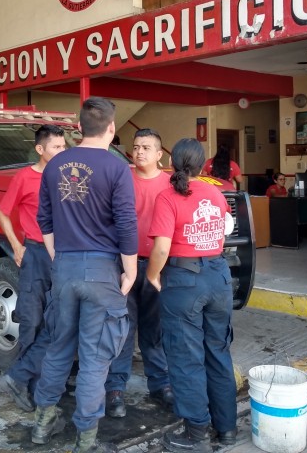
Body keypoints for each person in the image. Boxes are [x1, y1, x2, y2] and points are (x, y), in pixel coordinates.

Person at [32, 97, 138, 453]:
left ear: (79, 128)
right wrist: (131, 270)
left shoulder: (54, 164)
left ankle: (42, 423)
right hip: (103, 271)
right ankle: (86, 438)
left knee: (58, 347)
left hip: (64, 267)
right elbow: (126, 222)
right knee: (94, 358)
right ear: (111, 128)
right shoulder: (117, 167)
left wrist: (58, 257)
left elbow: (43, 220)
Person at [146, 138, 237, 452]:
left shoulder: (168, 196)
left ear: (172, 163)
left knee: (186, 359)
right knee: (218, 353)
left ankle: (196, 435)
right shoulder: (215, 192)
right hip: (218, 277)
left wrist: (152, 274)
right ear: (202, 165)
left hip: (184, 281)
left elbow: (161, 247)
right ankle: (226, 429)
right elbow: (225, 228)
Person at [0, 124, 66, 412]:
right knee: (32, 321)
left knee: (60, 322)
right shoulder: (25, 177)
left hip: (63, 256)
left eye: (65, 147)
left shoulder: (67, 176)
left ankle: (43, 385)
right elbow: (3, 212)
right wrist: (16, 246)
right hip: (35, 255)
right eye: (57, 147)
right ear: (40, 149)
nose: (63, 152)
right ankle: (26, 386)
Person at [105, 128, 174, 418]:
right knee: (122, 328)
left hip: (158, 267)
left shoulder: (171, 183)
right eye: (136, 147)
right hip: (124, 264)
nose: (140, 152)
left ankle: (160, 385)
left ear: (160, 154)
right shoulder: (122, 178)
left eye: (147, 147)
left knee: (153, 329)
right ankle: (115, 389)